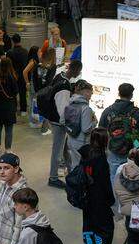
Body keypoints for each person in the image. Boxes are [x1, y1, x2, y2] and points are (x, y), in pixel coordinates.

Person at [78, 128, 115, 244]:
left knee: (89, 226)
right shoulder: (100, 159)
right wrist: (110, 200)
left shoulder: (86, 152)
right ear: (104, 140)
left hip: (86, 198)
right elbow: (105, 184)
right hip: (99, 201)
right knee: (106, 229)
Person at [98, 83, 139, 181]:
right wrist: (136, 146)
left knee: (114, 177)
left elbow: (101, 131)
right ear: (131, 95)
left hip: (113, 149)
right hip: (131, 152)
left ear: (119, 93)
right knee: (130, 178)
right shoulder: (138, 114)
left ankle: (115, 196)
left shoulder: (108, 111)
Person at [47, 60, 83, 189]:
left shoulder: (59, 77)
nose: (79, 73)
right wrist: (67, 126)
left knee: (63, 149)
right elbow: (63, 110)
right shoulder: (64, 86)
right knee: (57, 150)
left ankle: (69, 171)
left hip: (52, 118)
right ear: (75, 70)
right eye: (79, 71)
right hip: (58, 123)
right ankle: (53, 178)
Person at [0, 153, 28, 244]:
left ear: (16, 169)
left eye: (6, 168)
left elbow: (19, 228)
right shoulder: (3, 183)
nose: (1, 172)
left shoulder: (22, 194)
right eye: (0, 168)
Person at [64, 80, 97, 170]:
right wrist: (94, 122)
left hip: (71, 139)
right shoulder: (86, 108)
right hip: (81, 142)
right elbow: (86, 129)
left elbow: (63, 120)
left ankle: (73, 180)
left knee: (74, 164)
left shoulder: (70, 102)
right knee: (81, 167)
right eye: (91, 93)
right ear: (86, 92)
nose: (91, 95)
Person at [0, 57, 19, 154]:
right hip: (9, 106)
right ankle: (7, 149)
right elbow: (15, 91)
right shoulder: (12, 77)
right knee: (9, 129)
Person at [7, 34, 29, 115]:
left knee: (13, 93)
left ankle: (14, 109)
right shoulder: (25, 51)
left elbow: (8, 65)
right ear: (20, 40)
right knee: (22, 93)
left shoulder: (9, 52)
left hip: (13, 75)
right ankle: (23, 110)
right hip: (23, 75)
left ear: (13, 41)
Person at [22, 46, 42, 128]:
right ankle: (32, 121)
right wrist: (27, 83)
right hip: (32, 83)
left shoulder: (35, 61)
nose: (40, 53)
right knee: (32, 102)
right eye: (39, 52)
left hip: (33, 83)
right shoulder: (33, 62)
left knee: (33, 102)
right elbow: (24, 72)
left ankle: (34, 120)